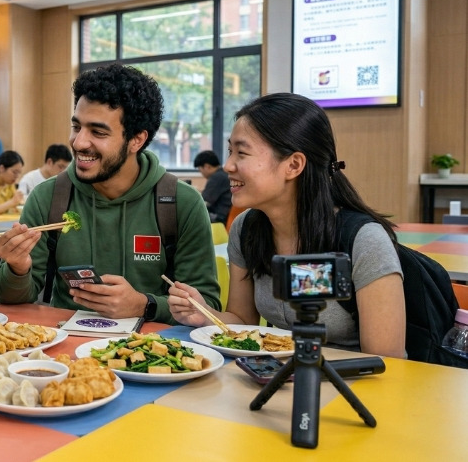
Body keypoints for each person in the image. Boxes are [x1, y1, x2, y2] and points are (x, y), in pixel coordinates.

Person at [167, 93, 405, 357]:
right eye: (230, 151)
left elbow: (386, 361)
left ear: (293, 165)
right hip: (277, 378)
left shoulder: (364, 240)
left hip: (350, 387)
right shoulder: (245, 229)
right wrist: (204, 314)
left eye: (242, 153)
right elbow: (244, 321)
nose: (228, 165)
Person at [0, 64, 219, 320]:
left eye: (98, 132)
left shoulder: (180, 203)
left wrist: (145, 306)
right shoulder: (49, 197)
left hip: (151, 352)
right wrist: (18, 268)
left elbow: (207, 305)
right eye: (77, 127)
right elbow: (10, 300)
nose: (78, 143)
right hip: (63, 351)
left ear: (136, 140)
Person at [194, 150, 232, 224]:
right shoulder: (224, 174)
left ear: (206, 166)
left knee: (189, 217)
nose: (201, 173)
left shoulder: (216, 177)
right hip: (225, 214)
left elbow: (203, 202)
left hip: (220, 217)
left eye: (200, 170)